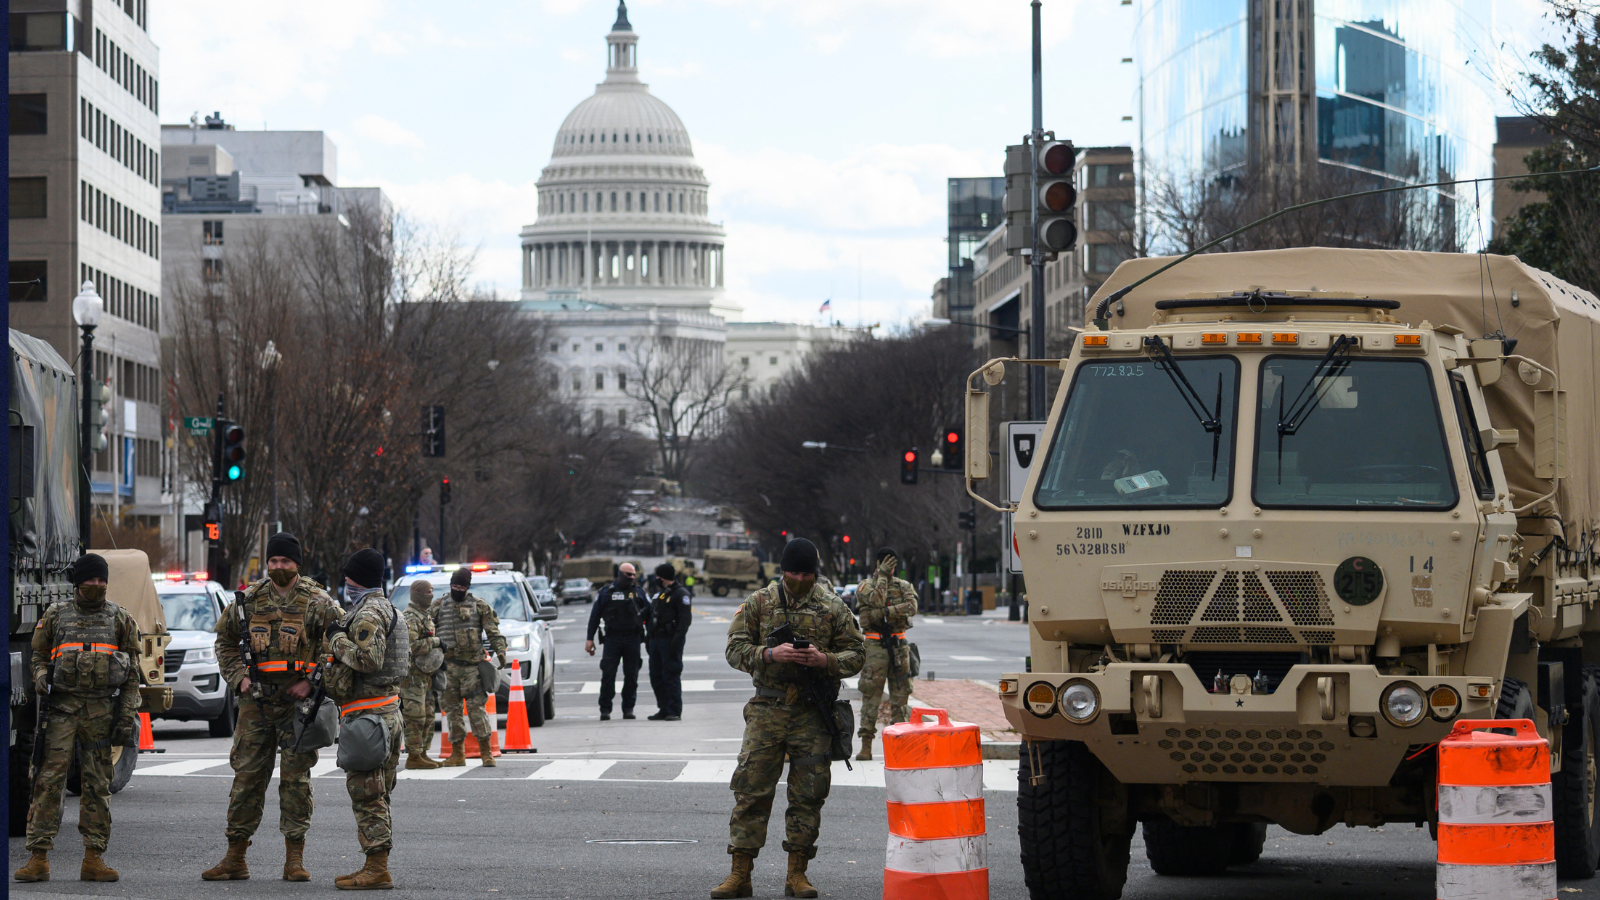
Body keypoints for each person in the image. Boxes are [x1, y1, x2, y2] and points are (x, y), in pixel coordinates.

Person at [712, 539, 864, 899]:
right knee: (751, 791)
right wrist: (768, 654)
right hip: (768, 710)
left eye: (806, 573)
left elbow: (857, 653)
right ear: (782, 570)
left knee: (808, 795)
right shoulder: (759, 602)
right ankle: (740, 873)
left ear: (815, 573)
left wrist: (824, 661)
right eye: (793, 572)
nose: (799, 579)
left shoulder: (832, 606)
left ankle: (797, 874)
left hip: (812, 714)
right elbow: (734, 649)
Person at [203, 532, 342, 882]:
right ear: (268, 563)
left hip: (299, 706)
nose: (279, 567)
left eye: (286, 561)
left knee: (296, 781)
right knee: (247, 777)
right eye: (274, 561)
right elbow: (224, 642)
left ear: (298, 563)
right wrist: (239, 678)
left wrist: (311, 681)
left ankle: (294, 859)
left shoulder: (319, 602)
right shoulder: (247, 600)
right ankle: (236, 857)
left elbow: (338, 646)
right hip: (256, 704)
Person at [14, 553, 143, 883]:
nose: (96, 586)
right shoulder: (56, 615)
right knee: (47, 783)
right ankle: (38, 857)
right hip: (61, 713)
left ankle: (94, 858)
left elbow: (131, 677)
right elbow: (39, 656)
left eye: (102, 581)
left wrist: (126, 719)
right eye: (90, 580)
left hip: (101, 713)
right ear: (77, 582)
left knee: (97, 786)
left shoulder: (120, 619)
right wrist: (41, 677)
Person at [323, 549, 408, 890]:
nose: (345, 583)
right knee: (379, 792)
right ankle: (374, 864)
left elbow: (368, 659)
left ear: (359, 578)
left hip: (370, 715)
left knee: (367, 793)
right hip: (386, 711)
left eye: (348, 578)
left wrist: (335, 638)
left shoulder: (370, 610)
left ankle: (377, 869)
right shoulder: (388, 607)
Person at [431, 568, 507, 766]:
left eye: (461, 587)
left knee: (476, 710)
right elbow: (427, 631)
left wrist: (501, 651)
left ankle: (486, 753)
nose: (457, 589)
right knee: (452, 711)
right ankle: (458, 754)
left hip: (473, 668)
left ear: (467, 587)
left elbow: (493, 631)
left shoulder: (479, 606)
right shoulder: (438, 606)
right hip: (448, 668)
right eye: (454, 586)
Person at [853, 547, 917, 762]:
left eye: (893, 565)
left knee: (901, 696)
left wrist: (885, 613)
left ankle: (900, 746)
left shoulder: (903, 586)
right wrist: (881, 577)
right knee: (871, 696)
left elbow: (912, 606)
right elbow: (877, 599)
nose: (891, 569)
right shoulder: (866, 586)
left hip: (898, 644)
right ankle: (866, 745)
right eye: (887, 565)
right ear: (879, 564)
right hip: (875, 645)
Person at [584, 563, 650, 720]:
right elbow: (594, 617)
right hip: (612, 638)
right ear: (620, 574)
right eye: (629, 575)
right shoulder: (606, 593)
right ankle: (605, 709)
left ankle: (628, 708)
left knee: (632, 675)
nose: (632, 578)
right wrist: (589, 639)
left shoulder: (639, 592)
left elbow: (650, 612)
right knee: (608, 674)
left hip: (633, 638)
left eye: (634, 575)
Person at [400, 580, 444, 769]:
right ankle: (413, 756)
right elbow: (411, 646)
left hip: (425, 676)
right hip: (412, 677)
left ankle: (423, 753)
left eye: (432, 591)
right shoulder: (410, 617)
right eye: (428, 592)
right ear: (418, 594)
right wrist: (436, 642)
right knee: (415, 717)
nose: (431, 595)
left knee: (427, 716)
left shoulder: (424, 615)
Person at [647, 563, 692, 721]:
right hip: (656, 640)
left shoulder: (681, 594)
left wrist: (676, 642)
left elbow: (685, 621)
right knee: (656, 675)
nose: (656, 579)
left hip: (670, 639)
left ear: (663, 577)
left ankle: (674, 710)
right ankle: (663, 708)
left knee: (670, 675)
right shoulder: (661, 594)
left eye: (658, 577)